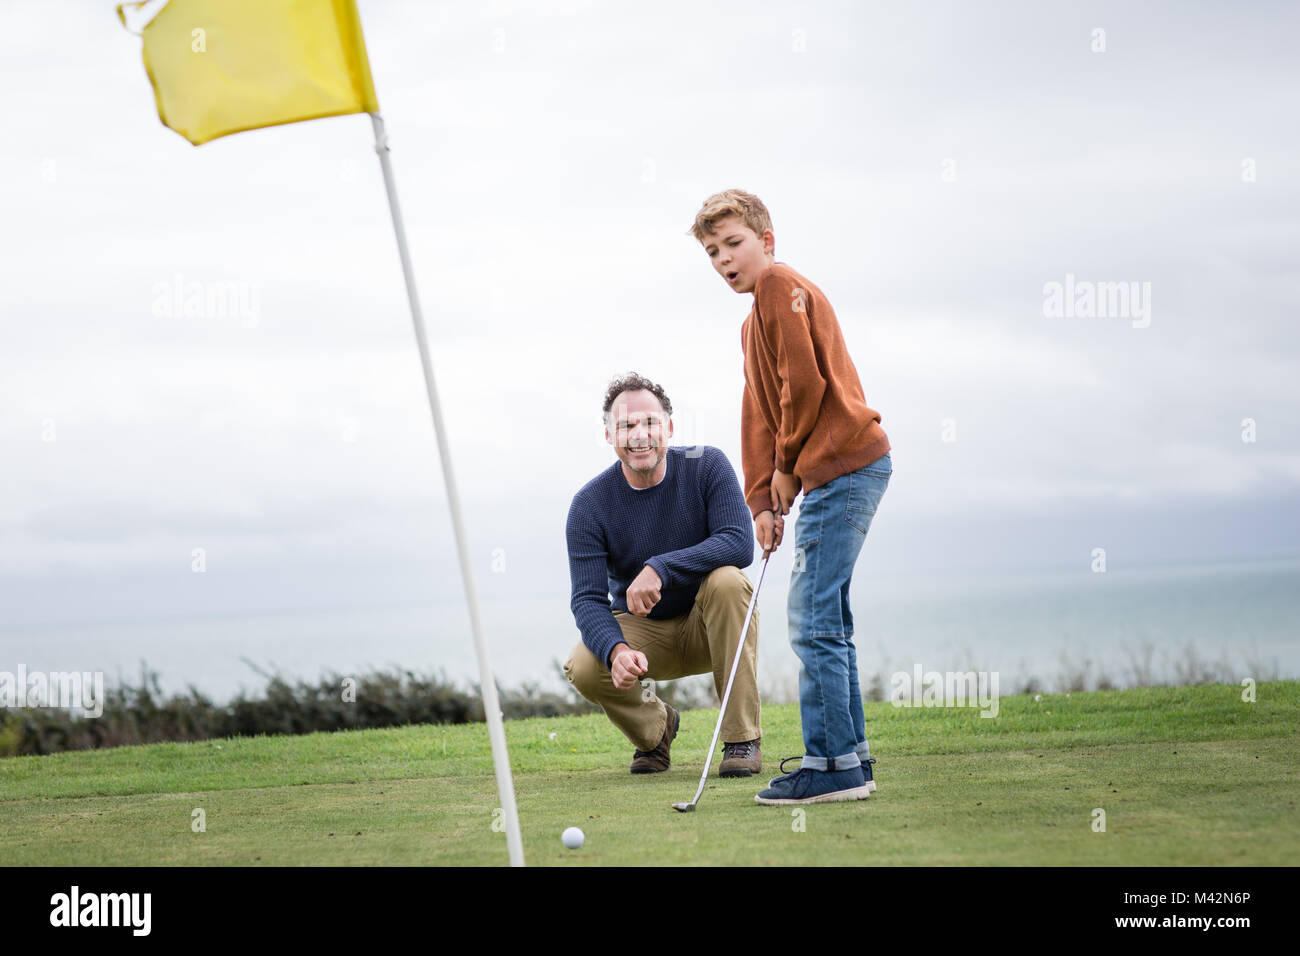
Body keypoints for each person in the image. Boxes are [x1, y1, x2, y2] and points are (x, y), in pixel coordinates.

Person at [690, 189, 893, 805]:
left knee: (810, 620)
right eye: (712, 252)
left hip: (845, 467)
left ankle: (831, 768)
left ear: (767, 241)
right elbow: (760, 410)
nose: (725, 259)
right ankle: (851, 758)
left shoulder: (780, 285)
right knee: (827, 616)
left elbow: (801, 386)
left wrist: (787, 471)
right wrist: (761, 502)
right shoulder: (752, 322)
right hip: (837, 471)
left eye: (734, 244)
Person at [563, 372, 767, 777]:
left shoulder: (707, 466)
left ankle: (742, 740)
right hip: (644, 637)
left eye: (650, 423)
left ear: (669, 427)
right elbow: (587, 601)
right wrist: (617, 652)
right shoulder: (589, 504)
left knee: (728, 580)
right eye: (626, 425)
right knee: (583, 663)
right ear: (609, 435)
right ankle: (656, 733)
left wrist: (661, 567)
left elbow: (740, 543)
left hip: (711, 628)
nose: (640, 435)